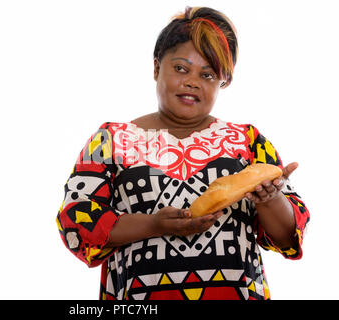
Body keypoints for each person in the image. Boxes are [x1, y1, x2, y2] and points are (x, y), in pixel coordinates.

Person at [55, 6, 310, 300]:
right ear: (155, 68)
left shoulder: (249, 141)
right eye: (180, 68)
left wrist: (271, 199)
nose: (192, 82)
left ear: (221, 83)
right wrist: (152, 225)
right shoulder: (109, 140)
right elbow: (76, 223)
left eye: (208, 74)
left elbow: (287, 237)